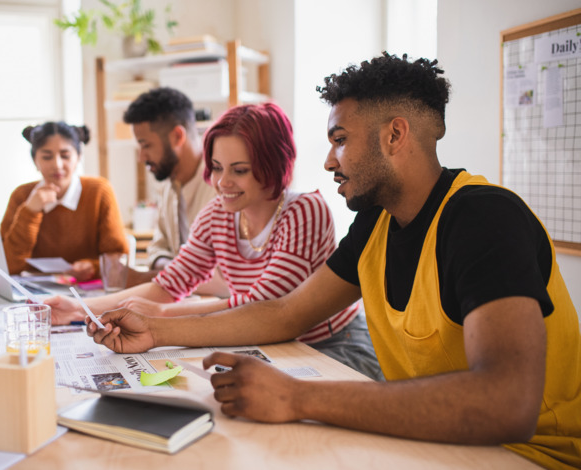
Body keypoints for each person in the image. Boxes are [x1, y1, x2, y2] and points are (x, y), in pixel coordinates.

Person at [84, 53, 581, 469]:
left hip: (530, 455)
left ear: (394, 135)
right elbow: (284, 313)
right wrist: (157, 330)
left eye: (340, 140)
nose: (327, 161)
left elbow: (507, 404)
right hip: (441, 443)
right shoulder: (377, 222)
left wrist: (298, 398)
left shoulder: (483, 217)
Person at [48, 102, 382, 380]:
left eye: (239, 170)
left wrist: (165, 314)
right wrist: (79, 308)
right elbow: (169, 283)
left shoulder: (305, 209)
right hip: (271, 343)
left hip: (334, 343)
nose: (222, 182)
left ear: (273, 164)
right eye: (218, 167)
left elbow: (265, 303)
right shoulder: (217, 213)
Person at [121, 88, 223, 294]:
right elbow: (158, 246)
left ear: (177, 136)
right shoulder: (169, 185)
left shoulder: (223, 187)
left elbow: (224, 279)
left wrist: (167, 274)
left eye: (146, 145)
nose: (141, 157)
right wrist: (166, 265)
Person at [1, 121, 128, 282]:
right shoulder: (21, 195)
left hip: (87, 294)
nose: (57, 165)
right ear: (35, 161)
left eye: (65, 156)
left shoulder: (99, 191)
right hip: (35, 297)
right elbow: (9, 266)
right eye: (47, 157)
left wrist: (93, 267)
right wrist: (30, 212)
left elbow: (117, 259)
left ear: (78, 158)